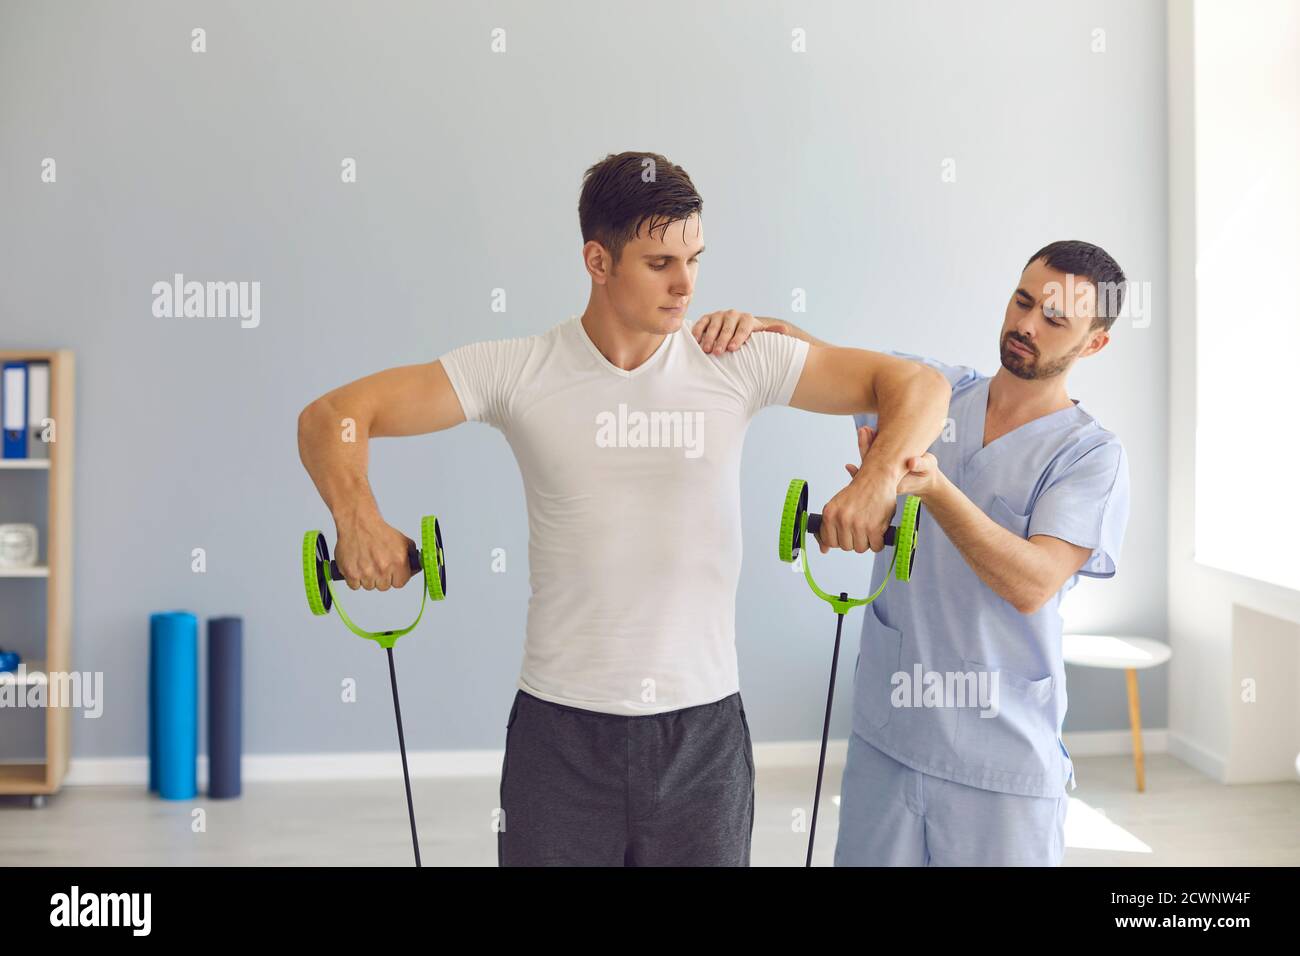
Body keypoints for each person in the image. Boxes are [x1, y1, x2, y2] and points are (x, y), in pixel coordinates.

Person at [296, 150, 951, 866]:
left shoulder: (735, 358)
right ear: (597, 262)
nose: (685, 285)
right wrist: (357, 519)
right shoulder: (517, 369)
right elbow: (333, 416)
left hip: (703, 735)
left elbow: (918, 386)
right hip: (559, 736)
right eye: (659, 263)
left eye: (694, 260)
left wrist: (878, 478)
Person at [747, 240, 1132, 866]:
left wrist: (930, 488)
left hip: (1002, 762)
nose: (1025, 325)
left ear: (1094, 343)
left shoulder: (1091, 456)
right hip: (890, 736)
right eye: (1022, 300)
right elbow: (815, 361)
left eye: (1054, 319)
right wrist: (762, 331)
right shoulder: (934, 393)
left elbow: (1034, 583)